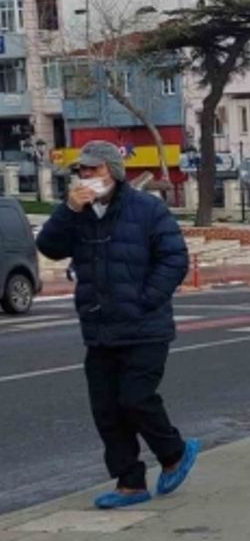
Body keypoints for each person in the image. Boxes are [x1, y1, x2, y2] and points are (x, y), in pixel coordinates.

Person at [35, 141, 199, 509]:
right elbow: (49, 247)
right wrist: (68, 210)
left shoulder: (147, 209)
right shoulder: (77, 213)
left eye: (93, 169)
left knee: (136, 398)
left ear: (113, 171)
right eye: (82, 170)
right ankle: (130, 483)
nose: (86, 176)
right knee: (107, 409)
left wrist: (145, 300)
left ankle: (173, 452)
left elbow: (174, 258)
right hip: (100, 328)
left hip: (145, 326)